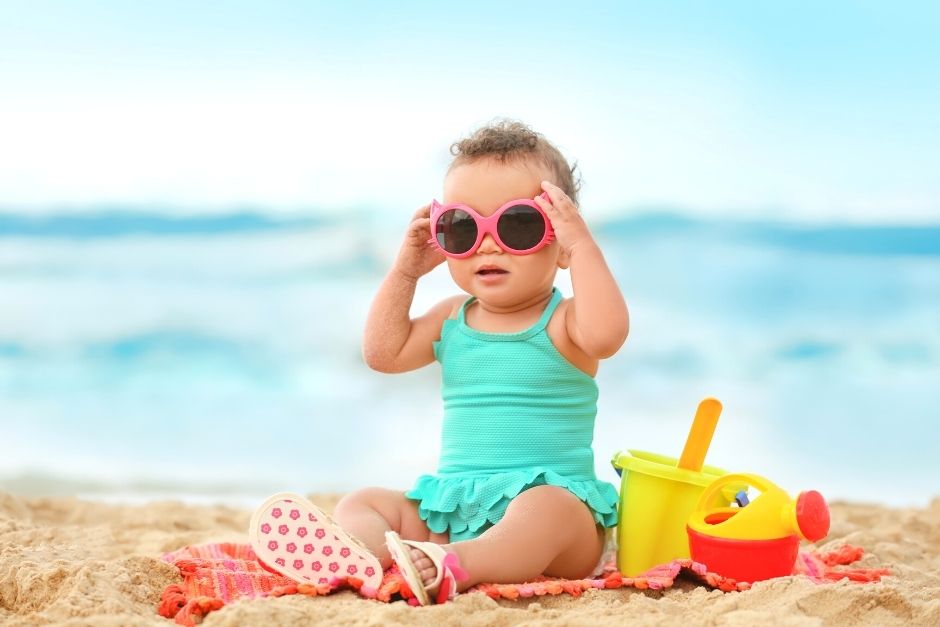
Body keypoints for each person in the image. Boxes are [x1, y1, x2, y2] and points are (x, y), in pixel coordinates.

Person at [249, 119, 629, 605]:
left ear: (558, 242)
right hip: (455, 510)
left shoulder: (566, 322)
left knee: (548, 508)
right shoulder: (452, 318)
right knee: (363, 501)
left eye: (518, 224)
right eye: (463, 228)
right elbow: (383, 354)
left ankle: (463, 565)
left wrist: (583, 248)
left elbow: (608, 335)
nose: (488, 243)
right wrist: (405, 270)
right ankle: (358, 554)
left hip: (555, 525)